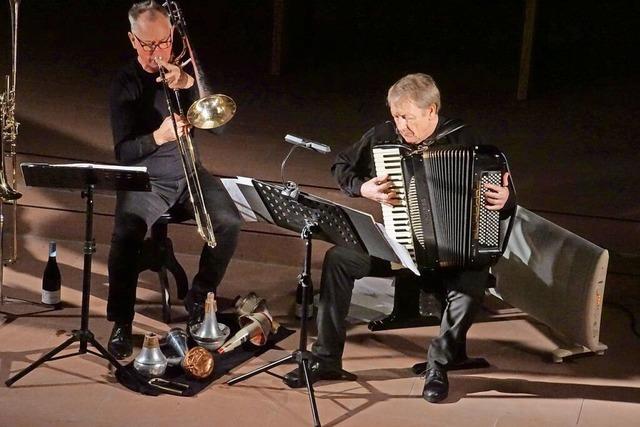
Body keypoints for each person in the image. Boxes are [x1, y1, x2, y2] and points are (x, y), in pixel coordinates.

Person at [283, 73, 515, 403]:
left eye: (408, 117)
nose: (401, 126)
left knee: (474, 280)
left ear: (432, 110)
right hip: (397, 246)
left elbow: (506, 201)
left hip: (452, 254)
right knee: (339, 259)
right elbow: (342, 165)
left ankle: (438, 364)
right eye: (396, 116)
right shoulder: (383, 137)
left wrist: (505, 200)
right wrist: (363, 188)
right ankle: (326, 358)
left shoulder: (471, 142)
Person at [106, 1, 241, 359]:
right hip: (147, 179)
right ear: (132, 40)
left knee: (228, 222)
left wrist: (189, 83)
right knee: (125, 234)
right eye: (148, 45)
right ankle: (121, 321)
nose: (158, 52)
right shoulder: (125, 82)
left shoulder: (184, 73)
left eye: (164, 42)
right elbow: (123, 152)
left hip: (189, 171)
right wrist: (158, 137)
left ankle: (199, 296)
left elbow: (221, 126)